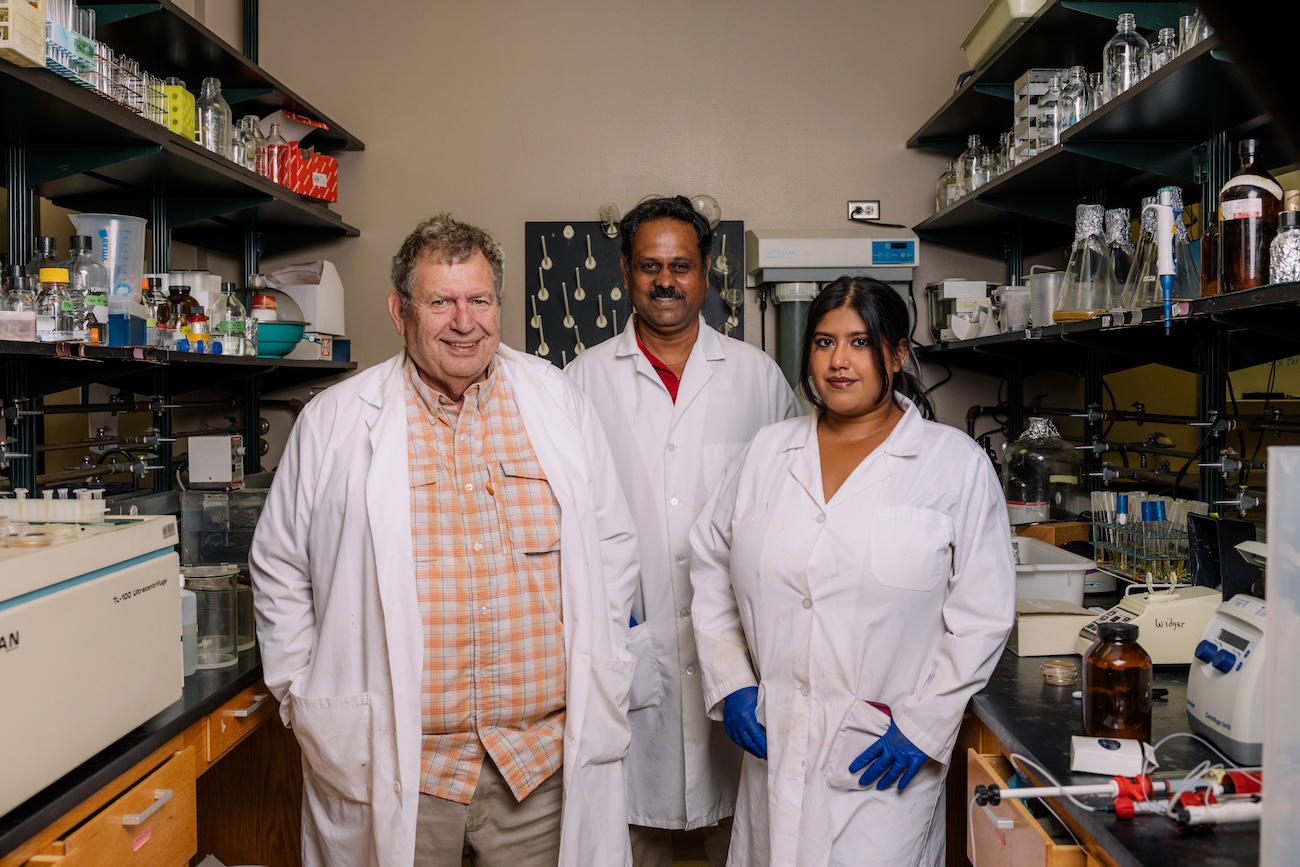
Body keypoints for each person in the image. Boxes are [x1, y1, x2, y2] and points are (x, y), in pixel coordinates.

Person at [250, 214, 641, 867]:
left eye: (479, 300)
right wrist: (301, 696)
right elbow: (279, 566)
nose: (466, 321)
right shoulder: (337, 421)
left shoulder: (556, 401)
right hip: (403, 766)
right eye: (442, 302)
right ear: (400, 310)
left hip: (540, 771)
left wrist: (603, 660)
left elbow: (612, 541)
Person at [689, 276, 1015, 866]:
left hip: (880, 757)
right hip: (777, 743)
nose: (838, 361)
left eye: (860, 343)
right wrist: (732, 680)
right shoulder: (767, 453)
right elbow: (711, 561)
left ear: (895, 353)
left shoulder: (953, 466)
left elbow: (983, 614)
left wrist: (924, 723)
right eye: (822, 341)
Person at [566, 195, 799, 866]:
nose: (665, 281)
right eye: (649, 266)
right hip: (628, 653)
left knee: (744, 838)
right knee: (630, 838)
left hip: (739, 667)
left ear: (705, 272)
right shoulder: (581, 382)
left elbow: (783, 518)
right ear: (624, 271)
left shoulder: (758, 379)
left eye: (680, 265)